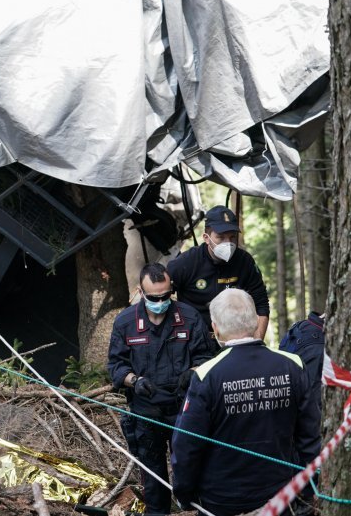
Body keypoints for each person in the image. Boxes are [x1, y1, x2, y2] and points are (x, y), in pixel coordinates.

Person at [171, 289, 320, 515]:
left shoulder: (206, 375)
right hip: (279, 495)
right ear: (254, 321)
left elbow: (186, 446)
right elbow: (310, 434)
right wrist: (309, 487)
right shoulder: (292, 365)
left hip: (223, 500)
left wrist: (183, 493)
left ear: (215, 327)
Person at [108, 263, 213, 515]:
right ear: (140, 292)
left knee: (191, 469)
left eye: (166, 295)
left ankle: (193, 509)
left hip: (184, 409)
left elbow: (207, 357)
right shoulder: (125, 322)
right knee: (153, 477)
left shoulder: (189, 317)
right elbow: (116, 365)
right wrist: (134, 381)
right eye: (154, 297)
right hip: (146, 410)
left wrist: (193, 373)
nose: (161, 301)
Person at [167, 205, 270, 349]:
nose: (228, 243)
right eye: (220, 237)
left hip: (236, 343)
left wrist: (257, 343)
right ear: (206, 238)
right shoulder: (185, 263)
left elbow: (262, 304)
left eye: (232, 236)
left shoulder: (244, 261)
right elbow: (160, 298)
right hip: (193, 342)